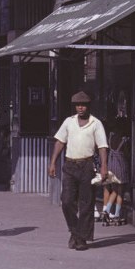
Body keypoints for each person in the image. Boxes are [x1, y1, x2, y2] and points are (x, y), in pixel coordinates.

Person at [48, 90, 108, 251]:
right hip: (70, 165)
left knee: (86, 203)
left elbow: (102, 146)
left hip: (87, 165)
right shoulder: (69, 122)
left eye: (83, 105)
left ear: (88, 106)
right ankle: (76, 232)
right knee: (67, 201)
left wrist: (104, 166)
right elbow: (60, 142)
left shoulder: (96, 123)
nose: (80, 108)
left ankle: (81, 239)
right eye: (77, 105)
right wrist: (52, 162)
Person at [102, 119, 130, 225]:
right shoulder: (123, 139)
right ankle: (113, 213)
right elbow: (126, 152)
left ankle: (109, 212)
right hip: (120, 164)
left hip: (111, 164)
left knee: (114, 190)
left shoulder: (111, 136)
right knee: (120, 190)